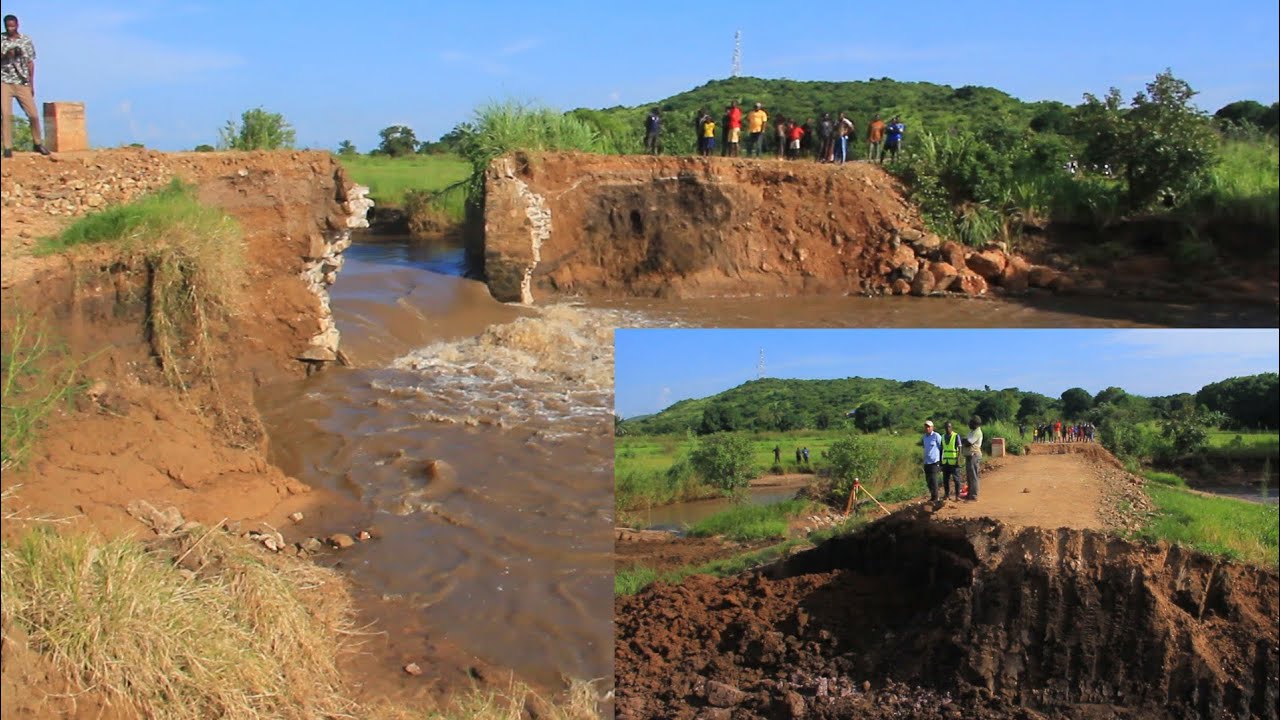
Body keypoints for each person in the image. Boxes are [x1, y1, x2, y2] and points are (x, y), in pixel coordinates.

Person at [2, 14, 49, 158]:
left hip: (22, 82)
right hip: (5, 81)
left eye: (12, 26)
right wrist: (6, 55)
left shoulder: (25, 40)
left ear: (17, 25)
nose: (10, 29)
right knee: (6, 115)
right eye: (8, 26)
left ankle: (38, 143)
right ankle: (7, 147)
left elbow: (30, 62)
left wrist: (31, 83)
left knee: (33, 114)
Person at [940, 421, 963, 500]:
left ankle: (957, 495)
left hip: (954, 462)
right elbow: (941, 449)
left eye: (949, 427)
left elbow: (960, 448)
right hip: (946, 462)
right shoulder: (943, 437)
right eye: (946, 427)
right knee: (945, 480)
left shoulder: (956, 436)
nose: (948, 429)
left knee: (956, 479)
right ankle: (946, 495)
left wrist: (958, 459)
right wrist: (940, 461)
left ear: (951, 427)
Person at [962, 415, 984, 501]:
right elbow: (966, 441)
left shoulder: (977, 432)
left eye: (971, 423)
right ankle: (970, 493)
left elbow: (968, 443)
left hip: (974, 455)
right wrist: (964, 440)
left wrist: (964, 440)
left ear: (975, 424)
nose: (969, 424)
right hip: (969, 455)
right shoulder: (972, 432)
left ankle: (974, 495)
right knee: (969, 476)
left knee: (973, 476)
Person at [921, 420, 943, 502]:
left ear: (932, 427)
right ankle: (932, 496)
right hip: (927, 461)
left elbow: (941, 448)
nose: (927, 428)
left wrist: (941, 461)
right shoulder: (924, 437)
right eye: (926, 427)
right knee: (928, 480)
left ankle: (936, 497)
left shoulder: (936, 436)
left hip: (934, 461)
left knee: (933, 480)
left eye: (929, 427)